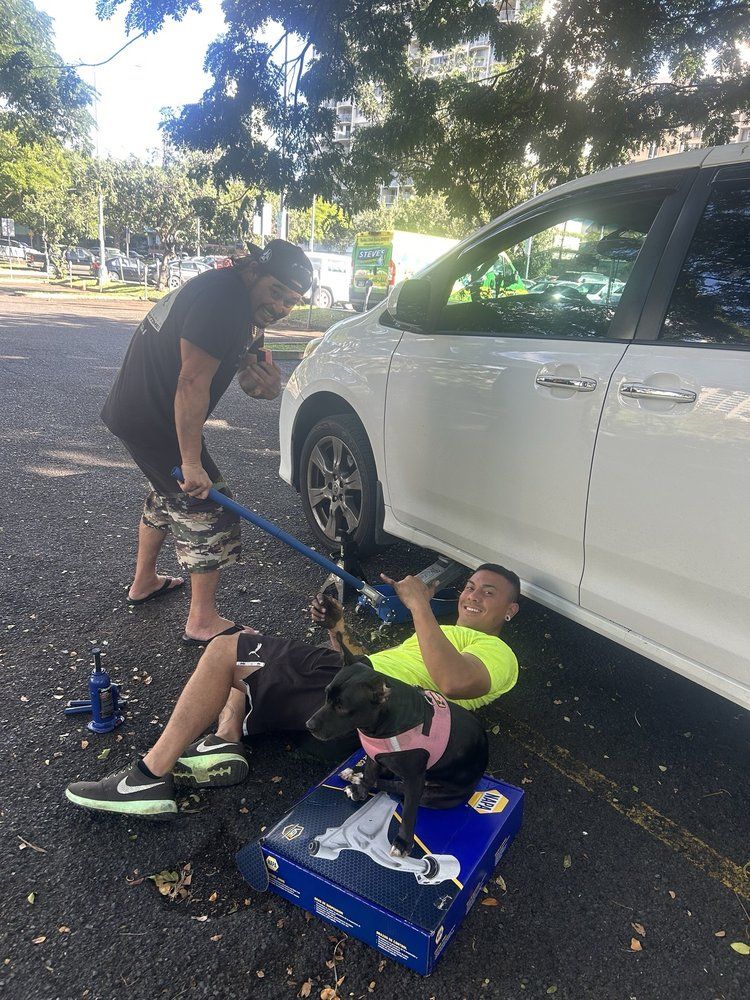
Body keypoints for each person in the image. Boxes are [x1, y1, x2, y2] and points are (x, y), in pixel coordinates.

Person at [65, 564, 521, 819]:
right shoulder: (437, 634)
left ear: (510, 610)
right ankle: (226, 740)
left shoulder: (497, 653)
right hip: (348, 691)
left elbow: (453, 683)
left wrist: (419, 603)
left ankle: (144, 779)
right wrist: (336, 628)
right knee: (246, 641)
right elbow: (363, 666)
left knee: (226, 650)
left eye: (489, 591)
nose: (472, 595)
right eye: (469, 586)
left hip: (375, 716)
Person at [101, 240, 314, 644]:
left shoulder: (247, 306)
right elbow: (192, 380)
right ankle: (202, 621)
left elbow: (249, 370)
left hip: (148, 414)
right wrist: (191, 461)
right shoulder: (224, 297)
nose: (281, 305)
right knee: (207, 505)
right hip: (152, 418)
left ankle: (143, 582)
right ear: (253, 270)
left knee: (167, 497)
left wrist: (263, 385)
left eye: (292, 300)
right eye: (276, 292)